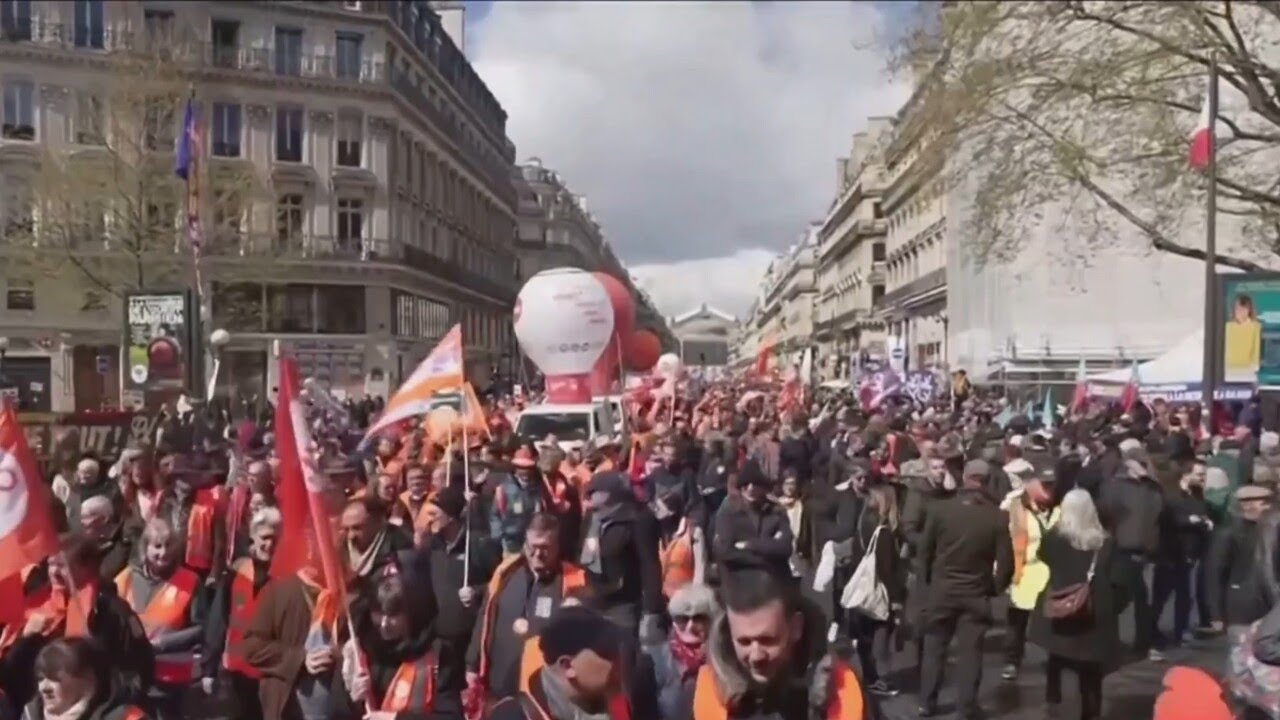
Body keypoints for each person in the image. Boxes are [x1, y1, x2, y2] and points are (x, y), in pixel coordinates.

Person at [691, 554, 875, 719]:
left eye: (767, 640)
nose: (756, 656)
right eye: (744, 642)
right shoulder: (711, 692)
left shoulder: (841, 690)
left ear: (796, 627)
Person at [0, 534, 153, 712]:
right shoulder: (35, 605)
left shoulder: (108, 611)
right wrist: (25, 638)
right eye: (51, 564)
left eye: (62, 566)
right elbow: (10, 671)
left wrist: (108, 706)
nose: (54, 572)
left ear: (87, 568)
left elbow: (139, 667)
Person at [916, 458, 1014, 719]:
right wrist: (993, 588)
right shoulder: (997, 517)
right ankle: (966, 707)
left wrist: (926, 584)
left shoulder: (940, 510)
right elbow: (1006, 564)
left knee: (934, 648)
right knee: (971, 652)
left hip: (942, 589)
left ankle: (926, 702)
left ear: (965, 478)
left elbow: (924, 552)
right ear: (986, 481)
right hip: (975, 591)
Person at [467, 514, 586, 703]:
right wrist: (472, 664)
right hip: (499, 687)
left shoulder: (573, 583)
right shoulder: (506, 572)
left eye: (545, 548)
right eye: (533, 547)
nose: (537, 554)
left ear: (558, 547)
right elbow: (485, 616)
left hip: (542, 695)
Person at [1029, 489, 1124, 720]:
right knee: (1091, 674)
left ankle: (1054, 699)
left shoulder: (1054, 538)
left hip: (1062, 604)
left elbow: (1043, 556)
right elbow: (1120, 580)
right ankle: (1090, 714)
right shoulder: (1106, 542)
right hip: (1095, 610)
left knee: (1058, 653)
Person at [420, 484, 498, 717]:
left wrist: (477, 591)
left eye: (435, 514)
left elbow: (499, 584)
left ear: (452, 516)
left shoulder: (479, 544)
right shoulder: (432, 545)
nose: (430, 519)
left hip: (467, 640)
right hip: (438, 640)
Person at [114, 518, 204, 720]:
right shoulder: (125, 578)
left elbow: (201, 628)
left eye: (168, 545)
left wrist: (165, 643)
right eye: (157, 546)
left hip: (171, 678)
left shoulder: (190, 581)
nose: (163, 552)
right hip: (134, 677)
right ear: (145, 549)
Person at [202, 507, 281, 720]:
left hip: (271, 673)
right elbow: (218, 621)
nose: (269, 544)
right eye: (264, 537)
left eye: (275, 538)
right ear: (253, 537)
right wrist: (209, 667)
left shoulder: (286, 576)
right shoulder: (236, 572)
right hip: (236, 671)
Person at [485, 606, 629, 720]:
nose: (619, 660)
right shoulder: (512, 716)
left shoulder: (616, 704)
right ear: (567, 665)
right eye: (608, 652)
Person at [339, 573, 439, 719]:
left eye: (393, 615)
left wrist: (393, 718)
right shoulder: (358, 650)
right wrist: (353, 700)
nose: (384, 623)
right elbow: (336, 710)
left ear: (410, 614)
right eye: (378, 613)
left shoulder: (434, 653)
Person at [579, 472, 664, 640]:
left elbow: (650, 565)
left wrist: (651, 611)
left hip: (624, 603)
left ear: (610, 494)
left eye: (594, 492)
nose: (590, 497)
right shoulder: (592, 517)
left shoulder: (639, 518)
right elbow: (582, 551)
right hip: (594, 597)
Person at [1097, 456, 1165, 660]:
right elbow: (1105, 514)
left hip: (1148, 551)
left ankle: (1143, 643)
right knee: (1121, 598)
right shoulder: (1114, 487)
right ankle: (1107, 641)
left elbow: (1159, 512)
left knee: (1143, 601)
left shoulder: (1152, 489)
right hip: (1121, 548)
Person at [999, 471, 1058, 681]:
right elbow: (1007, 544)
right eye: (1045, 485)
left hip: (1052, 575)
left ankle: (1055, 662)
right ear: (1030, 486)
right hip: (1025, 574)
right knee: (1017, 622)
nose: (1049, 490)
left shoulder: (1060, 507)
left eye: (1052, 485)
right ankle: (1011, 661)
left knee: (1053, 621)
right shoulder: (1016, 508)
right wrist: (1005, 575)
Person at [640, 583, 719, 720]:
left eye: (698, 618)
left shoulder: (725, 661)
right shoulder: (655, 660)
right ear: (673, 621)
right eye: (682, 619)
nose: (690, 626)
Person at [22, 638, 151, 720]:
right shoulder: (31, 715)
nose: (44, 688)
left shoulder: (127, 718)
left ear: (87, 680)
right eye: (41, 679)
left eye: (54, 678)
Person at [78, 496, 132, 583]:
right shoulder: (84, 548)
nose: (81, 522)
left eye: (86, 516)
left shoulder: (124, 546)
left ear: (103, 519)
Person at [1224, 293, 1262, 382]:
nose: (1239, 311)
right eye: (1237, 308)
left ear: (1249, 310)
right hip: (1228, 368)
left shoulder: (1255, 326)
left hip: (1247, 369)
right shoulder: (1228, 326)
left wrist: (1255, 365)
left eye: (1243, 309)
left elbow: (1256, 346)